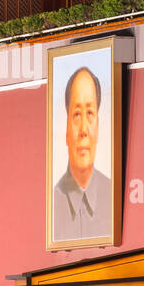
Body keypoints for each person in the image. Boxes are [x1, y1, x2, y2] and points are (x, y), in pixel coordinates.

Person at [53, 65, 112, 241]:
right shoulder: (52, 203)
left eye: (90, 113)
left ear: (99, 126)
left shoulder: (113, 197)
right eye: (77, 114)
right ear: (66, 128)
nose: (84, 130)